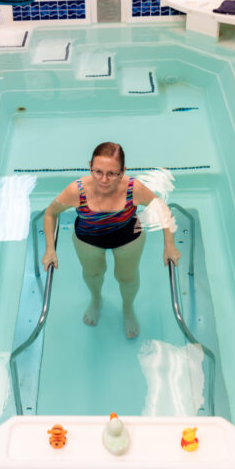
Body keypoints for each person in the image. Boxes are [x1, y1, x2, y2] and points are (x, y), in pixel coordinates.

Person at [41, 142, 181, 339]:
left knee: (127, 278)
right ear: (90, 165)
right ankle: (96, 300)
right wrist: (49, 249)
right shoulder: (76, 190)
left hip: (127, 236)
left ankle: (128, 308)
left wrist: (169, 244)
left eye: (112, 173)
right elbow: (50, 213)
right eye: (98, 171)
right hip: (88, 238)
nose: (104, 180)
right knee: (93, 274)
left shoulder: (134, 188)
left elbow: (162, 209)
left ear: (123, 171)